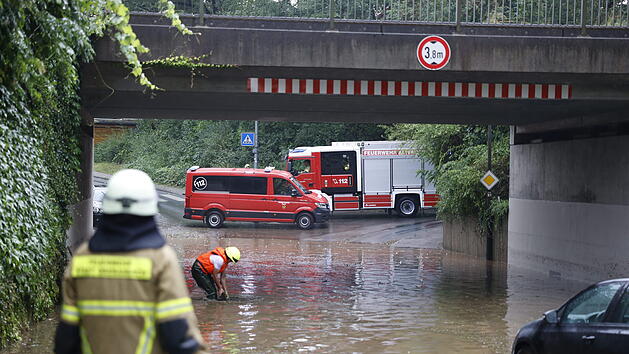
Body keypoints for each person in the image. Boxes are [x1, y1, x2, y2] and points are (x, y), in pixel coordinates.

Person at [55, 169, 207, 354]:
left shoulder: (82, 259)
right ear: (150, 208)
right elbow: (180, 339)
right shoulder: (161, 260)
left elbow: (66, 341)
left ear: (108, 207)